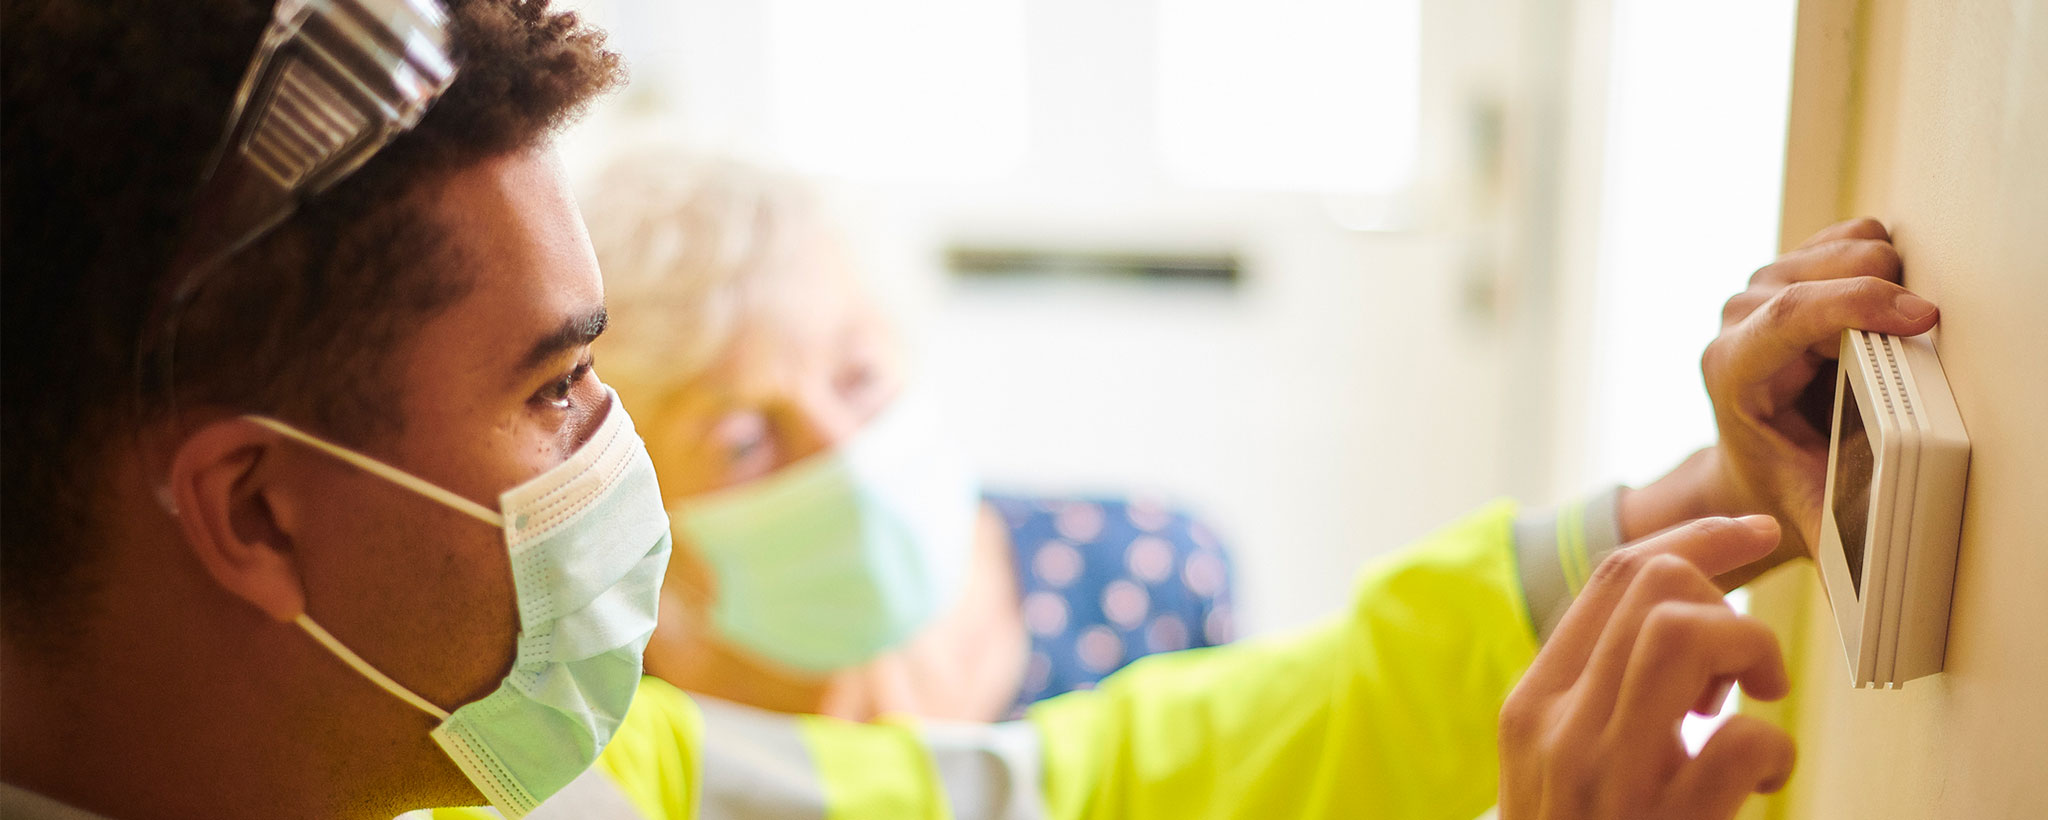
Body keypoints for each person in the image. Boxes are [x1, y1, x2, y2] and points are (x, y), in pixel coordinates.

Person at [0, 1, 1940, 819]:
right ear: (257, 512)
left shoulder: (504, 763)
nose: (626, 468)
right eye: (561, 387)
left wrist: (1690, 500)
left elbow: (1060, 789)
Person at [576, 152, 1238, 723]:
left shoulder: (1153, 579)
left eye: (858, 376)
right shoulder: (604, 716)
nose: (842, 450)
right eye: (744, 442)